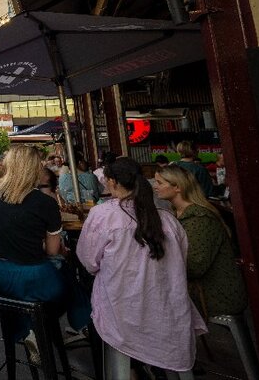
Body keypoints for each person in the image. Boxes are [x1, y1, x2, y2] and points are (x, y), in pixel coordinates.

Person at [77, 158, 206, 375]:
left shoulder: (104, 215)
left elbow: (89, 261)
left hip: (122, 313)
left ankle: (133, 370)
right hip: (168, 313)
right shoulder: (168, 219)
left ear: (112, 182)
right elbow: (180, 262)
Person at [0, 146, 90, 335]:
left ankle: (27, 332)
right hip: (32, 277)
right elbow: (51, 250)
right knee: (69, 280)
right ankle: (81, 324)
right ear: (33, 169)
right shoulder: (46, 203)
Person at [153, 165, 246, 317]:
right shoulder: (179, 213)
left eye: (160, 182)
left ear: (177, 187)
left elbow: (194, 266)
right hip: (200, 290)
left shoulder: (200, 218)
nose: (155, 187)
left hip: (216, 295)